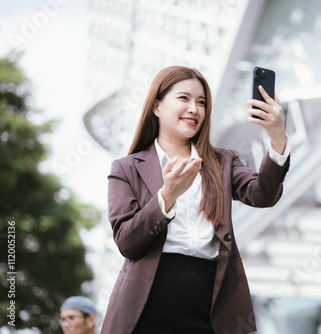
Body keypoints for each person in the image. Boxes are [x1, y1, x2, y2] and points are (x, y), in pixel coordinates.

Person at [100, 65, 290, 334]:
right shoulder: (126, 168)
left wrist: (277, 135)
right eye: (184, 98)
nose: (194, 109)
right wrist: (167, 196)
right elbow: (127, 242)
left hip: (210, 302)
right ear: (157, 106)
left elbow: (263, 194)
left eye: (201, 102)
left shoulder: (222, 162)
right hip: (147, 301)